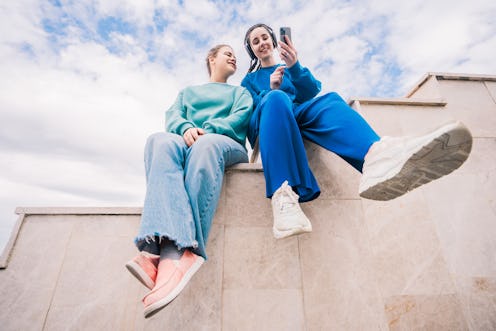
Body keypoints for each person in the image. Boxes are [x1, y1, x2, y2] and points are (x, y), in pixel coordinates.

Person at [242, 23, 472, 239]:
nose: (261, 42)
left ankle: (377, 155)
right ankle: (283, 197)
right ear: (252, 50)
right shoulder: (250, 80)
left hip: (298, 113)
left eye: (265, 37)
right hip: (273, 117)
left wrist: (294, 66)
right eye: (255, 41)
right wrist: (271, 91)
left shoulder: (288, 66)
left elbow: (311, 91)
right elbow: (250, 120)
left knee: (330, 101)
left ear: (273, 41)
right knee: (276, 98)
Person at [126, 44, 253, 318]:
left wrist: (205, 130)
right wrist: (185, 128)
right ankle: (152, 248)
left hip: (224, 143)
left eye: (235, 55)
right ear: (211, 59)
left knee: (204, 146)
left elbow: (240, 118)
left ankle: (179, 250)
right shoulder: (187, 93)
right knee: (158, 141)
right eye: (227, 53)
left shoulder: (239, 92)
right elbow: (173, 117)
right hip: (188, 138)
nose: (233, 57)